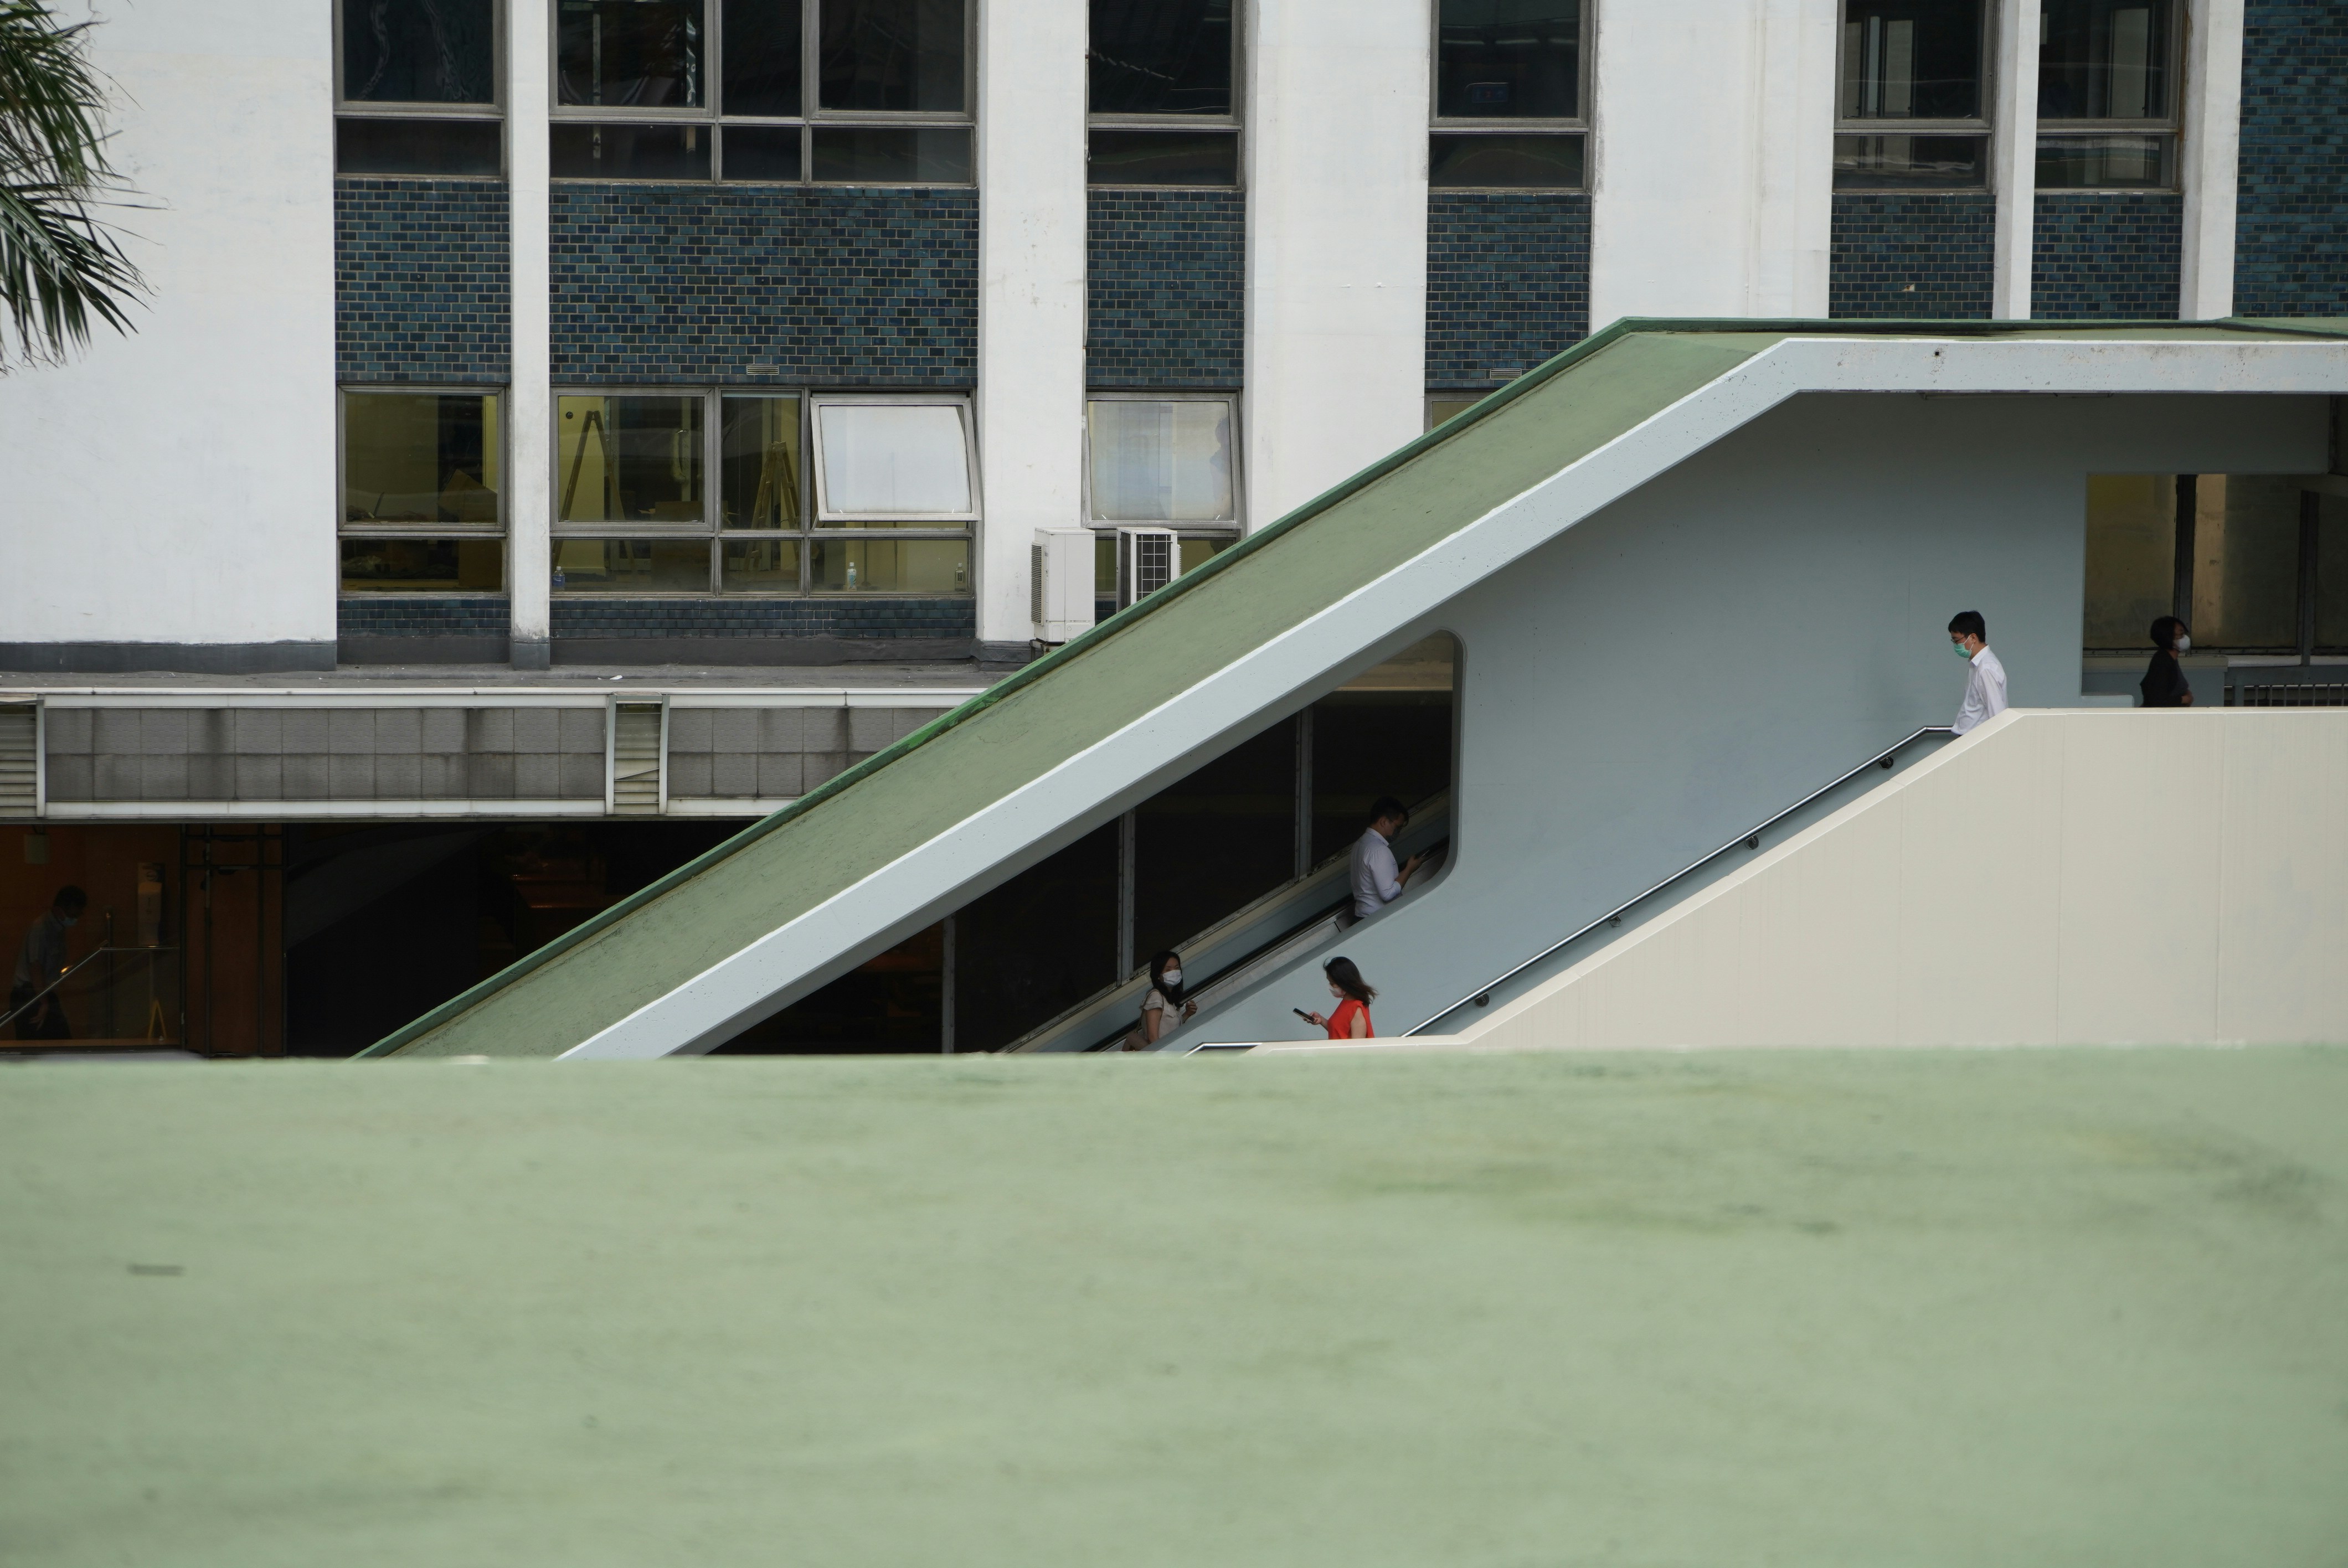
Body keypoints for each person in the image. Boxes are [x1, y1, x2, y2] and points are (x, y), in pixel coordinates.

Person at [11, 885, 86, 1041]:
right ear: (59, 910)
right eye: (73, 914)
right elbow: (35, 966)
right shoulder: (41, 928)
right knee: (35, 1044)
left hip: (43, 991)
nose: (76, 919)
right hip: (30, 993)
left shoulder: (57, 929)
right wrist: (43, 1001)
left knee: (61, 1041)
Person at [1349, 796, 1427, 922]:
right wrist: (1409, 869)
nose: (1399, 831)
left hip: (1362, 917)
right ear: (1384, 821)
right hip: (1378, 919)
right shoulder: (1379, 850)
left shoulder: (1359, 844)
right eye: (1398, 827)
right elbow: (1388, 894)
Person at [1947, 610, 2009, 735]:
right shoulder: (1977, 665)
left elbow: (1997, 714)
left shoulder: (1986, 668)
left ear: (1973, 638)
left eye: (1957, 640)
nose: (1956, 645)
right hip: (1970, 737)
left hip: (1977, 739)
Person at [1124, 950, 1198, 1050]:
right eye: (1168, 970)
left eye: (1177, 968)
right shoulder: (1156, 997)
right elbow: (1153, 1038)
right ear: (1158, 975)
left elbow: (1168, 1028)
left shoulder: (1168, 998)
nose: (1174, 972)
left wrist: (1187, 1014)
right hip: (1161, 1055)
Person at [1303, 956, 1376, 1040]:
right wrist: (1321, 1020)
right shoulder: (1347, 1001)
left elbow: (1357, 1046)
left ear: (1344, 982)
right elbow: (1339, 1032)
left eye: (1332, 983)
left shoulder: (1357, 1008)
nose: (1330, 986)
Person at [2141, 616, 2195, 708]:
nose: (2185, 638)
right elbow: (2156, 699)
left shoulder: (2171, 659)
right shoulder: (2162, 662)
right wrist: (2184, 699)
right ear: (2168, 637)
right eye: (2181, 634)